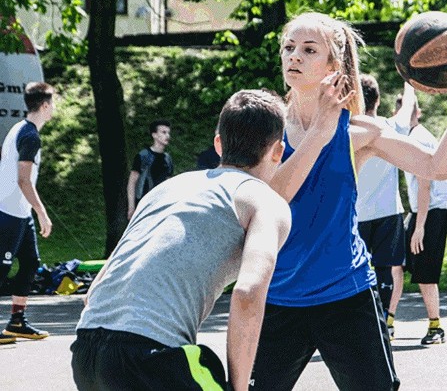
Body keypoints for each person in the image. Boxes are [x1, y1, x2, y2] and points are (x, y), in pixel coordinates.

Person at [249, 11, 447, 391]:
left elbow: (437, 166)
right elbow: (271, 199)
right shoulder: (263, 127)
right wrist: (319, 134)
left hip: (346, 294)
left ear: (333, 65)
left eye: (309, 50)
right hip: (279, 296)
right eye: (289, 48)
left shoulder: (360, 132)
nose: (294, 56)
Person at [70, 90, 291, 391]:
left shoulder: (166, 190)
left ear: (218, 143)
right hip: (149, 358)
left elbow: (96, 288)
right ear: (278, 151)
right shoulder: (265, 201)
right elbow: (249, 293)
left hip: (86, 354)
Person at [356, 76, 415, 339]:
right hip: (388, 212)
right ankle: (384, 323)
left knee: (353, 270)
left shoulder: (346, 128)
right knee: (385, 270)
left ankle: (358, 325)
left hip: (355, 215)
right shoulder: (390, 127)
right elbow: (408, 106)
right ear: (378, 101)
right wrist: (409, 79)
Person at [0, 82, 56, 344]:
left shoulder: (21, 128)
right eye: (53, 103)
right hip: (8, 213)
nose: (54, 108)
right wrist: (42, 212)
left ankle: (17, 322)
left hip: (20, 214)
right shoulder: (30, 135)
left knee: (31, 263)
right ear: (45, 105)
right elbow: (24, 180)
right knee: (1, 270)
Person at [402, 100, 447, 345]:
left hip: (434, 210)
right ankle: (388, 320)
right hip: (424, 210)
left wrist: (419, 225)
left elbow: (425, 185)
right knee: (397, 262)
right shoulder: (408, 135)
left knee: (426, 270)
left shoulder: (418, 138)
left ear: (418, 114)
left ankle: (436, 327)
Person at [126, 119, 173, 220]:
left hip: (162, 206)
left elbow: (169, 183)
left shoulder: (168, 159)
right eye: (164, 132)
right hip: (143, 205)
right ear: (154, 135)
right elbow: (132, 182)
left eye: (168, 133)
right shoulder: (143, 156)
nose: (167, 136)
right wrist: (131, 207)